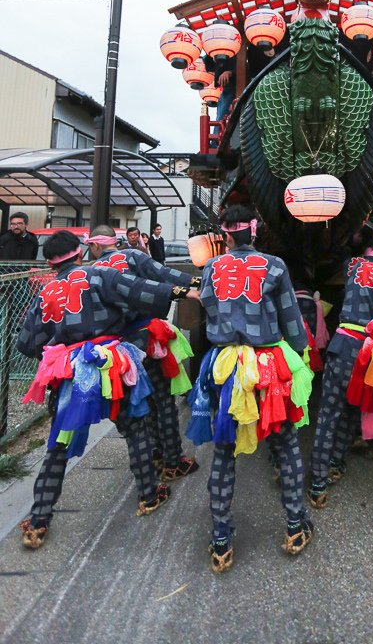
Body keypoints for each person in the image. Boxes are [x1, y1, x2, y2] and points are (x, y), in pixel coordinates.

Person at [16, 231, 191, 548]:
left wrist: (61, 340)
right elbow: (140, 291)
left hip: (71, 370)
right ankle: (149, 495)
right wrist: (181, 291)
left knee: (58, 444)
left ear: (50, 262)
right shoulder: (98, 274)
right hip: (111, 363)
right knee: (135, 428)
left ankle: (39, 521)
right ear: (80, 252)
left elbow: (27, 343)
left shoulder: (45, 293)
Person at [189, 204, 314, 573]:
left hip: (227, 366)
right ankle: (294, 526)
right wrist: (301, 353)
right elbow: (292, 318)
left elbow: (210, 308)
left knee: (224, 451)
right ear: (254, 231)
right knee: (285, 444)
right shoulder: (275, 266)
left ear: (226, 234)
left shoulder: (212, 267)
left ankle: (221, 540)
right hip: (267, 365)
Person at [86, 225, 200, 482]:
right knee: (163, 399)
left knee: (142, 402)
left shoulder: (90, 273)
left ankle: (155, 453)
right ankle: (173, 461)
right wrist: (197, 283)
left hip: (115, 351)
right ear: (116, 241)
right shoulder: (133, 256)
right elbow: (165, 274)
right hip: (147, 340)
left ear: (94, 246)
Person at [308, 226, 373, 509]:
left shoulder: (350, 265)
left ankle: (318, 482)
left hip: (343, 344)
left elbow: (335, 253)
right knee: (355, 406)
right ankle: (337, 462)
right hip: (372, 350)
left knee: (328, 412)